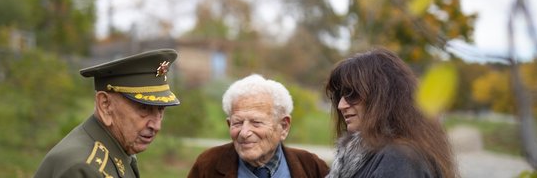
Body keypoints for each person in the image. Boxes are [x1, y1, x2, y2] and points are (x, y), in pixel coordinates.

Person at [34, 49, 181, 178]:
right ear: (105, 105)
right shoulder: (83, 168)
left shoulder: (115, 149)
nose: (156, 125)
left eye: (160, 110)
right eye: (144, 108)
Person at [324, 47, 458, 178]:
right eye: (339, 96)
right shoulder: (371, 155)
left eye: (352, 94)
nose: (341, 105)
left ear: (381, 97)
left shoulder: (399, 159)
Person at [188, 74, 329, 178]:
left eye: (256, 122)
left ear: (284, 126)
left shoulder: (312, 167)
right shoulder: (208, 165)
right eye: (237, 123)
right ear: (229, 124)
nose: (244, 133)